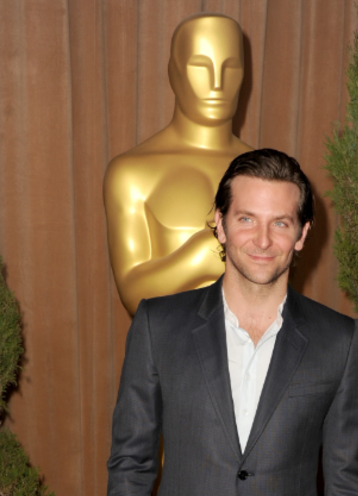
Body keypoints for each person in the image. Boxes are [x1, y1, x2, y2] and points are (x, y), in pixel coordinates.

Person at [107, 149, 358, 496]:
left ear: (302, 233)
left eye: (280, 223)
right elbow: (130, 465)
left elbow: (348, 489)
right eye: (246, 219)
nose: (262, 240)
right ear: (221, 224)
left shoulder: (340, 343)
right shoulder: (158, 325)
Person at [104, 14, 252, 315]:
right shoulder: (132, 173)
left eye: (231, 67)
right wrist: (207, 253)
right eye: (200, 66)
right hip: (170, 355)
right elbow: (134, 293)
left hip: (257, 354)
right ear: (174, 73)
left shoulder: (266, 173)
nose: (217, 83)